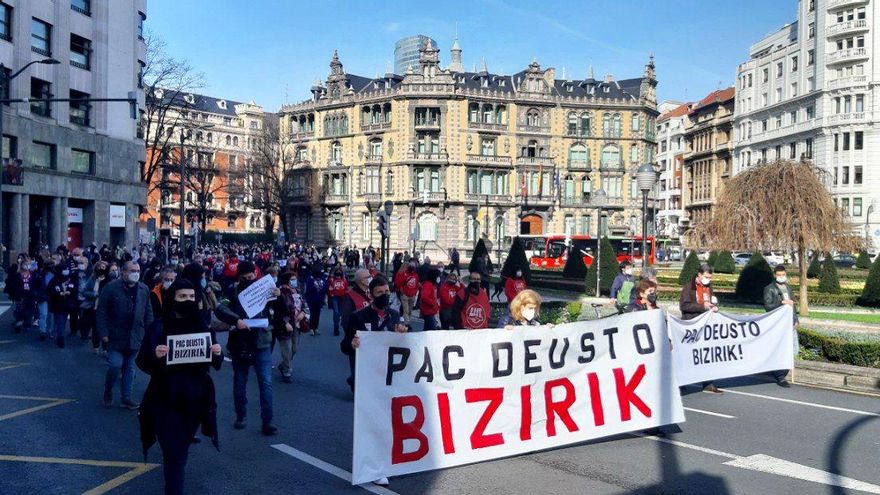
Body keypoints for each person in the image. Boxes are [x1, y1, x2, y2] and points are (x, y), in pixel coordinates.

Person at [136, 279, 223, 495]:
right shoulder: (159, 326)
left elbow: (214, 364)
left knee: (180, 452)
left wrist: (217, 353)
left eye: (191, 297)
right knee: (174, 454)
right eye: (182, 297)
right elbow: (143, 361)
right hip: (165, 400)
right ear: (172, 299)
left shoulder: (202, 326)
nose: (187, 301)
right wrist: (155, 355)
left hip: (194, 402)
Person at [214, 261, 278, 435]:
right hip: (240, 341)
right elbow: (220, 309)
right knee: (240, 381)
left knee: (265, 382)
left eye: (251, 277)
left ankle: (268, 420)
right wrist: (236, 320)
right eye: (245, 278)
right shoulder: (231, 291)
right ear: (239, 278)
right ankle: (241, 415)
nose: (249, 280)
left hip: (261, 340)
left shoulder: (264, 289)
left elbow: (278, 311)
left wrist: (278, 296)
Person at [97, 261, 154, 408]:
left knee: (129, 368)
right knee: (115, 365)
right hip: (115, 335)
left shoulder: (144, 289)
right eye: (132, 270)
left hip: (134, 336)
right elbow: (101, 312)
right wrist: (103, 333)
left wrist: (151, 332)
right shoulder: (111, 288)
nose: (135, 273)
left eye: (138, 270)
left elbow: (148, 312)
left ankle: (126, 397)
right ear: (123, 272)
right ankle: (108, 390)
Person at [343, 275, 407, 398]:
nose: (385, 295)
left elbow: (400, 345)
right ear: (371, 295)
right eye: (380, 292)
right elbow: (345, 345)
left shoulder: (394, 315)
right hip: (366, 368)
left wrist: (402, 336)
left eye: (387, 291)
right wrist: (352, 344)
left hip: (386, 367)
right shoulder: (358, 317)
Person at [680, 263, 721, 394]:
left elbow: (711, 301)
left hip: (706, 326)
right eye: (706, 276)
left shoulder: (709, 287)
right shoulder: (688, 288)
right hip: (691, 326)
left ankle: (708, 383)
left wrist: (714, 307)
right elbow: (684, 306)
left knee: (706, 355)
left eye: (710, 277)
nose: (708, 279)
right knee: (689, 355)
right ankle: (681, 381)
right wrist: (702, 307)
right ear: (699, 275)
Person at [763, 265, 799, 388]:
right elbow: (768, 306)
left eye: (783, 274)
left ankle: (780, 370)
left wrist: (796, 319)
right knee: (781, 349)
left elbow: (793, 305)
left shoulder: (788, 288)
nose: (781, 277)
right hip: (778, 324)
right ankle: (780, 376)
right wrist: (780, 302)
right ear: (775, 275)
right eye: (779, 275)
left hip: (790, 323)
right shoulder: (769, 289)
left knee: (794, 349)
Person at [272, 272, 306, 384]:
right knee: (287, 349)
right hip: (284, 326)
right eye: (292, 279)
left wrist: (303, 313)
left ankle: (283, 364)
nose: (294, 281)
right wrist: (285, 322)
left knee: (294, 349)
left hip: (297, 324)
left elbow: (303, 305)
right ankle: (286, 370)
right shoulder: (280, 293)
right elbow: (276, 311)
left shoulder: (298, 292)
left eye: (295, 279)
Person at [5, 258, 35, 333]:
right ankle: (19, 323)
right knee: (19, 310)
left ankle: (27, 323)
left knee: (29, 310)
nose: (27, 266)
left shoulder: (32, 275)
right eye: (25, 264)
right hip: (20, 296)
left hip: (30, 296)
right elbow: (14, 286)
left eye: (28, 264)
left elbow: (35, 285)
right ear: (22, 266)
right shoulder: (17, 275)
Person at [304, 264, 328, 336]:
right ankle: (311, 328)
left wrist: (325, 298)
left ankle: (316, 328)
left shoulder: (322, 278)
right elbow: (308, 290)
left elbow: (325, 287)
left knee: (317, 314)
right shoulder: (310, 279)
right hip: (311, 299)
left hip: (320, 299)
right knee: (313, 313)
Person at [394, 260, 420, 327]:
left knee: (409, 309)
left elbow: (416, 284)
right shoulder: (403, 273)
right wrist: (402, 291)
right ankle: (407, 323)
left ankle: (407, 321)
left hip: (412, 294)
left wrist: (415, 292)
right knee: (406, 309)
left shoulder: (415, 275)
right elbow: (399, 283)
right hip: (405, 294)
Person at [327, 266, 349, 336]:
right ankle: (336, 327)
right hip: (335, 298)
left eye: (340, 275)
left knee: (340, 312)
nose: (338, 277)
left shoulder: (344, 281)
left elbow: (346, 289)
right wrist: (331, 295)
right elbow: (329, 288)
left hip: (342, 298)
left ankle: (338, 323)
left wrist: (346, 295)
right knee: (336, 312)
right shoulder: (332, 280)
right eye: (337, 275)